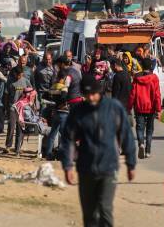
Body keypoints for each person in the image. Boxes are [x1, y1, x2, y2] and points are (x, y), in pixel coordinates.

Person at [61, 74, 136, 227]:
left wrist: (131, 163)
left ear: (99, 92)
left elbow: (126, 135)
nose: (91, 98)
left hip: (109, 167)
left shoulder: (114, 108)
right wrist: (68, 166)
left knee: (104, 208)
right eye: (87, 94)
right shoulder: (78, 111)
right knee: (89, 215)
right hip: (86, 168)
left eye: (93, 94)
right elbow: (68, 138)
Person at [128, 58, 162, 159]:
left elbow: (132, 94)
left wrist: (129, 107)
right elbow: (157, 95)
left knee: (139, 128)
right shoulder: (154, 78)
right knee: (150, 130)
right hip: (150, 108)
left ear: (142, 66)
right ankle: (147, 151)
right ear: (151, 66)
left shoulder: (137, 78)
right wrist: (158, 109)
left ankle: (141, 143)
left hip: (139, 107)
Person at [5, 66, 33, 151]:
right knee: (11, 127)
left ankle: (17, 148)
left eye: (21, 75)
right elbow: (6, 95)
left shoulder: (26, 81)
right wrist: (6, 107)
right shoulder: (10, 82)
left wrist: (30, 102)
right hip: (13, 107)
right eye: (18, 75)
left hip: (22, 108)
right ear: (15, 74)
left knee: (20, 128)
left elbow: (31, 92)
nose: (19, 77)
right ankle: (8, 146)